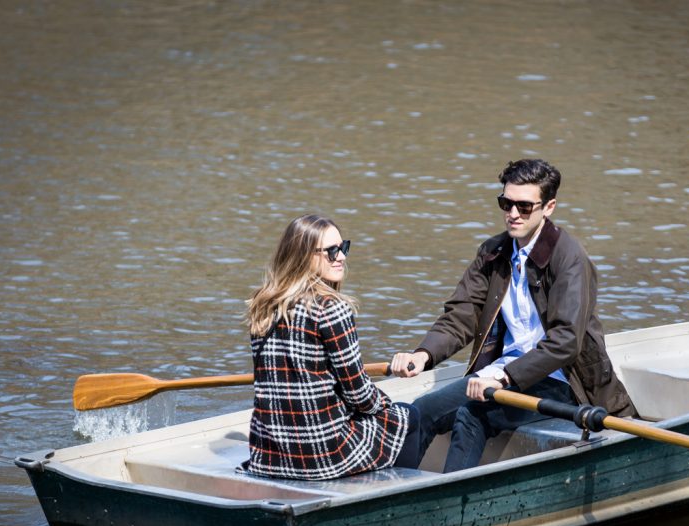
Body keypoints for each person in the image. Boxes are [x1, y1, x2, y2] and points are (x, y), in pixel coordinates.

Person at [390, 158, 635, 472]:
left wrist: (506, 377)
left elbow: (566, 342)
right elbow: (462, 315)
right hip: (504, 373)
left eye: (524, 206)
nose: (513, 214)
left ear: (548, 207)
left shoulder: (571, 258)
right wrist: (423, 355)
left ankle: (449, 506)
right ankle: (395, 493)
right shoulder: (493, 252)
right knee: (418, 413)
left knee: (473, 414)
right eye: (506, 203)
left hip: (562, 382)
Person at [244, 214, 422, 480]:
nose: (341, 257)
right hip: (321, 455)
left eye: (343, 247)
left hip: (268, 454)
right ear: (303, 256)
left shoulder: (264, 306)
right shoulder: (331, 309)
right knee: (408, 415)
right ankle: (397, 494)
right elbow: (359, 394)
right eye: (331, 252)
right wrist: (386, 404)